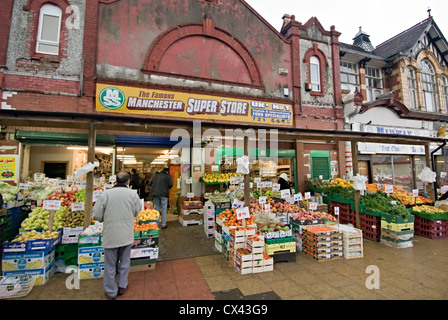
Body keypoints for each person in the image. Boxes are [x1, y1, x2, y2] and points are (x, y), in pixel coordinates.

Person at [92, 171, 141, 300]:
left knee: (110, 264)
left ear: (115, 181)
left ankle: (111, 291)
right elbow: (137, 212)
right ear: (128, 181)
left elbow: (97, 215)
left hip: (111, 234)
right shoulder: (133, 194)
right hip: (126, 233)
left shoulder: (105, 194)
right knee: (125, 261)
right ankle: (122, 285)